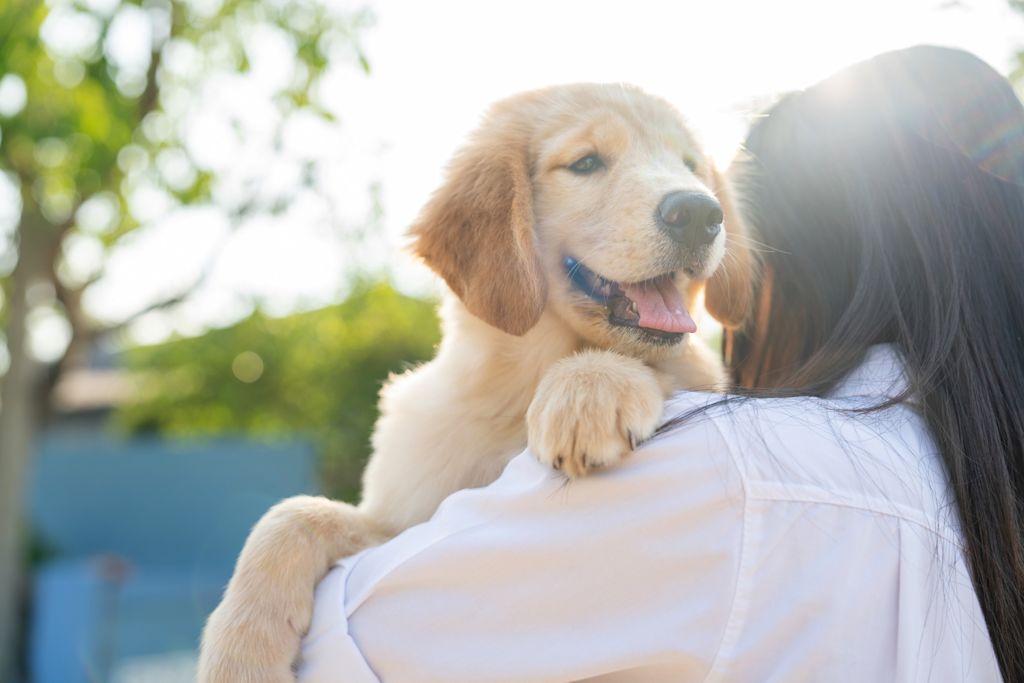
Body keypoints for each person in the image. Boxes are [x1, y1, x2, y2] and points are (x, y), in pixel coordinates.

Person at [296, 45, 1023, 682]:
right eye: (587, 162)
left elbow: (347, 650)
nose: (697, 205)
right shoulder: (981, 471)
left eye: (694, 174)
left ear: (785, 269)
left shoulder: (729, 468)